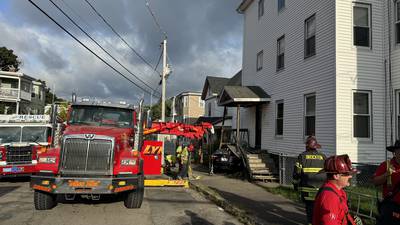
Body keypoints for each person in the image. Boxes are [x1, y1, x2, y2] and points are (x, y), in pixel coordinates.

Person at [312, 154, 360, 225]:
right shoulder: (330, 197)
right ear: (336, 176)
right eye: (347, 174)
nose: (350, 176)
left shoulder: (338, 191)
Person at [292, 136, 326, 225]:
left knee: (310, 207)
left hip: (307, 188)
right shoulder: (323, 157)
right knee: (319, 207)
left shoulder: (302, 156)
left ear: (307, 146)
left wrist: (295, 184)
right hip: (321, 189)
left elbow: (297, 172)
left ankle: (311, 223)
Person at [373, 140, 400, 225]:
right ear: (394, 152)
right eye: (398, 151)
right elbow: (375, 182)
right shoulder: (386, 165)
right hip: (391, 207)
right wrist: (387, 174)